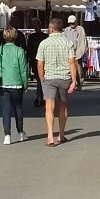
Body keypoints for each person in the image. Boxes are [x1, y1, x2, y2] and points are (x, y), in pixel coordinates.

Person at [36, 17, 79, 146]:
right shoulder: (68, 43)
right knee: (63, 105)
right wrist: (74, 80)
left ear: (51, 28)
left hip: (49, 78)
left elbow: (40, 64)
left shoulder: (44, 43)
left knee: (49, 107)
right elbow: (72, 62)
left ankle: (50, 136)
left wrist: (41, 78)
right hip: (64, 77)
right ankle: (61, 134)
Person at [0, 26, 29, 144]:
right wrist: (25, 83)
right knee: (18, 107)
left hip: (2, 83)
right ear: (16, 37)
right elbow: (23, 70)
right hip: (16, 83)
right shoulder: (20, 51)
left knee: (6, 109)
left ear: (4, 37)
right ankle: (20, 133)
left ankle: (7, 135)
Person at [26, 19, 46, 109]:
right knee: (40, 79)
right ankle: (41, 96)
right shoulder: (43, 36)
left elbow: (29, 50)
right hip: (37, 60)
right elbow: (29, 50)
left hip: (37, 60)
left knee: (39, 79)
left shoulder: (33, 37)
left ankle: (39, 96)